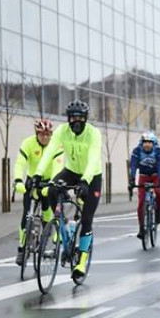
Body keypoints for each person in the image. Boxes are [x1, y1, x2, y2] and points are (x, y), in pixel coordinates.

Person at [34, 100, 102, 284]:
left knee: (87, 219)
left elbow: (93, 159)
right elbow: (49, 153)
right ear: (68, 119)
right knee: (49, 191)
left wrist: (85, 181)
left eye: (80, 118)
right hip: (71, 171)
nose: (76, 122)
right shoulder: (62, 131)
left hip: (92, 176)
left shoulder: (93, 133)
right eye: (73, 118)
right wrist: (38, 175)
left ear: (86, 119)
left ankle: (81, 261)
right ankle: (61, 224)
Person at [12, 118, 63, 266]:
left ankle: (44, 241)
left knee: (47, 213)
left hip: (48, 181)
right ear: (36, 134)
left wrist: (52, 184)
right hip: (32, 180)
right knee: (26, 214)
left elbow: (57, 168)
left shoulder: (56, 146)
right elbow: (20, 163)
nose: (45, 137)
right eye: (42, 134)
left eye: (48, 135)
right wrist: (18, 180)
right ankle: (22, 249)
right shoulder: (28, 143)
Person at [128, 132, 160, 238]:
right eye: (145, 142)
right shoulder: (136, 151)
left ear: (154, 144)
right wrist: (131, 180)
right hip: (143, 176)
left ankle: (158, 214)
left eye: (150, 142)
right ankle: (141, 229)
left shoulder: (159, 151)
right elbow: (133, 165)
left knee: (159, 192)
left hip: (155, 175)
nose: (147, 145)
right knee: (141, 202)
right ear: (141, 143)